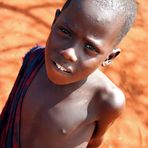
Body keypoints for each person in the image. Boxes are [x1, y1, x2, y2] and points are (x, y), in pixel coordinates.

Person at [0, 0, 137, 147]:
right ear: (55, 21)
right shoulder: (34, 60)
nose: (69, 53)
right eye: (65, 31)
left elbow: (95, 141)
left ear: (109, 57)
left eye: (90, 47)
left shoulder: (105, 100)